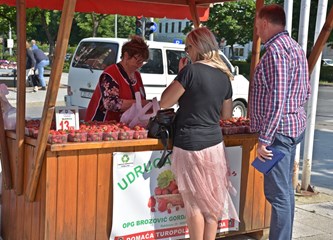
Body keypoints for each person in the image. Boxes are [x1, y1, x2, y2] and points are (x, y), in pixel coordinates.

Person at [159, 27, 239, 240]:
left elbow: (165, 101)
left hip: (189, 144)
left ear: (196, 46)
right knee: (211, 203)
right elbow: (227, 115)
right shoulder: (224, 76)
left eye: (187, 47)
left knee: (194, 205)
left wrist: (181, 73)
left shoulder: (190, 71)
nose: (187, 52)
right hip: (214, 145)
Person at [249, 4, 311, 240]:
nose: (256, 30)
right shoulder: (295, 47)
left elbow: (278, 100)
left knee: (278, 195)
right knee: (285, 192)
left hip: (279, 133)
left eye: (257, 25)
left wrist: (264, 139)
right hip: (292, 128)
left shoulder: (275, 51)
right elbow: (304, 92)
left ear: (265, 23)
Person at [85, 35, 150, 122]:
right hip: (102, 126)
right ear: (126, 56)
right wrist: (141, 103)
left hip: (125, 127)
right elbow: (111, 103)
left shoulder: (137, 75)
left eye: (143, 61)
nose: (140, 64)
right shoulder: (111, 74)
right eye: (138, 60)